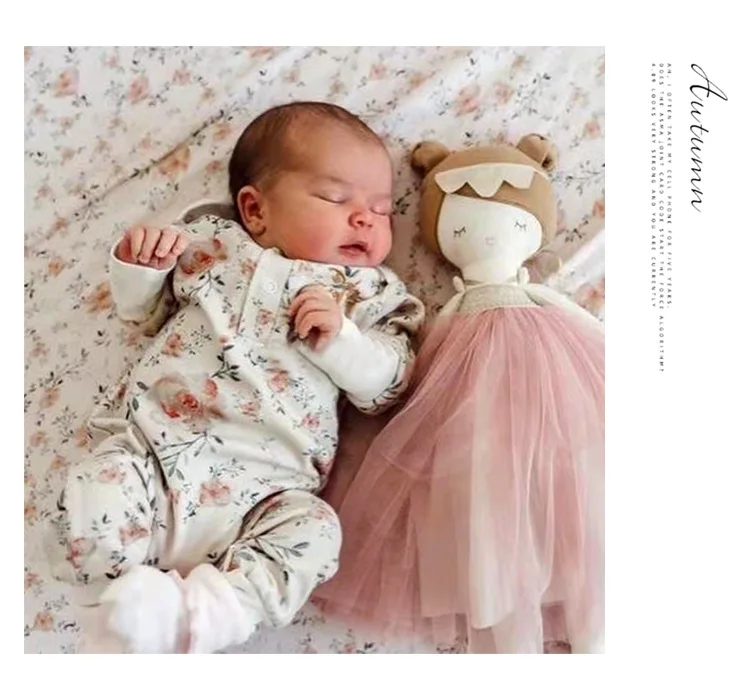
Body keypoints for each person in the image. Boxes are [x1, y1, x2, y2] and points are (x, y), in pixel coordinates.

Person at [47, 101, 424, 654]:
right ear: (255, 209)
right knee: (96, 487)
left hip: (266, 494)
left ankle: (207, 616)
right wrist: (140, 269)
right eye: (335, 198)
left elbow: (387, 384)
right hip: (154, 456)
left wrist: (344, 343)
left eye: (382, 209)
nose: (365, 218)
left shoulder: (372, 293)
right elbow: (144, 315)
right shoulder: (213, 245)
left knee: (315, 533)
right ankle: (121, 609)